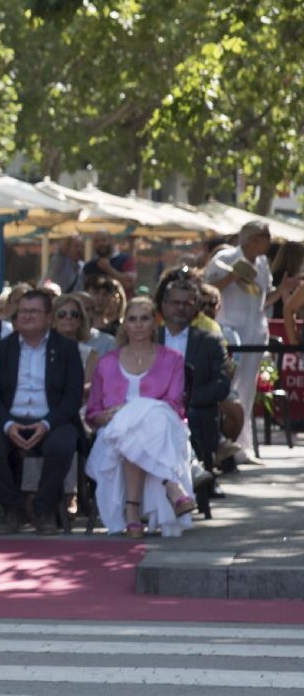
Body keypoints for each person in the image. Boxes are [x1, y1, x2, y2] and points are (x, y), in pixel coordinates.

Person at [84, 296, 196, 538]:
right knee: (129, 430)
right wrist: (108, 415)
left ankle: (132, 512)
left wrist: (133, 411)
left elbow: (174, 405)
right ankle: (172, 486)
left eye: (144, 319)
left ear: (154, 324)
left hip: (163, 427)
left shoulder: (173, 359)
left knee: (143, 424)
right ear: (124, 324)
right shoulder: (106, 363)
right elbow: (92, 413)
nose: (138, 325)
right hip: (113, 431)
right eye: (132, 319)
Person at [0, 290, 85, 535]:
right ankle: (13, 508)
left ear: (49, 317)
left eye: (33, 311)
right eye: (23, 311)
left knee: (63, 445)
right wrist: (7, 425)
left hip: (52, 420)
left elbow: (72, 398)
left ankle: (44, 510)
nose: (27, 316)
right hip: (8, 419)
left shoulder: (67, 349)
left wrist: (46, 424)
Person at [203, 220, 274, 460]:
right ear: (253, 238)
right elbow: (207, 286)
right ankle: (225, 442)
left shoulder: (263, 263)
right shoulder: (224, 257)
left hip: (255, 333)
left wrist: (285, 290)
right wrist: (233, 276)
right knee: (229, 388)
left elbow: (264, 299)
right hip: (230, 331)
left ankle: (243, 446)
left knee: (248, 390)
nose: (269, 242)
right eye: (265, 236)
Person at [155, 275, 232, 467]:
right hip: (154, 409)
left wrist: (185, 400)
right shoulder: (149, 339)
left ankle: (202, 476)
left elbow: (221, 385)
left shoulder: (210, 341)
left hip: (194, 408)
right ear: (164, 305)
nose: (181, 308)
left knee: (195, 416)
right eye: (175, 303)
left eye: (187, 303)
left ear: (196, 306)